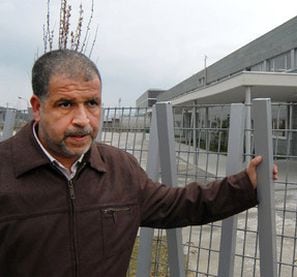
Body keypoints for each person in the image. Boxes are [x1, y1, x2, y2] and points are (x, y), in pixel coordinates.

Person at [0, 49, 277, 276]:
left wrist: (244, 185)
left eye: (92, 103)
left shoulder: (120, 170)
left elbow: (179, 205)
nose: (83, 119)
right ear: (37, 108)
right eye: (66, 104)